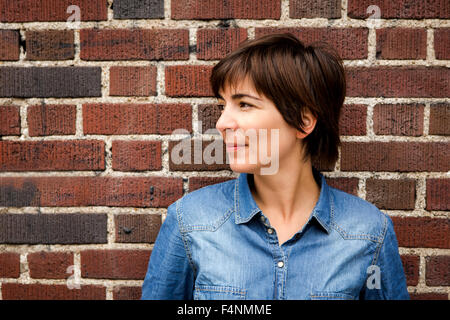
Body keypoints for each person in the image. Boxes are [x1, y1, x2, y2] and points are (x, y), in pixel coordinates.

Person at [141, 33, 410, 300]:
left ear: (304, 121)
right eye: (223, 105)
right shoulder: (191, 221)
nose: (222, 123)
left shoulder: (368, 232)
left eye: (244, 104)